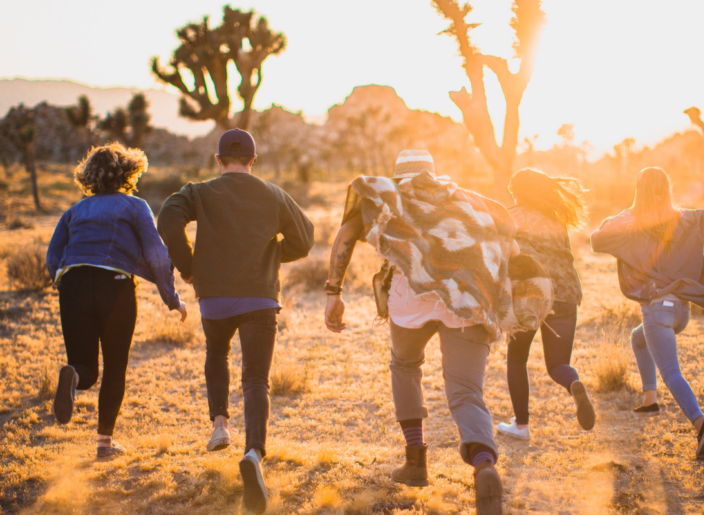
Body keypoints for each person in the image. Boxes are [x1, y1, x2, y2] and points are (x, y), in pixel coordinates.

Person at [325, 150, 519, 515]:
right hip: (466, 299)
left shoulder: (391, 195)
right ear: (434, 172)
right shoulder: (467, 200)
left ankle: (415, 463)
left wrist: (333, 292)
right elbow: (508, 234)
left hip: (409, 300)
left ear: (399, 176)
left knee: (405, 367)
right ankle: (483, 465)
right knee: (465, 391)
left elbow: (347, 232)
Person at [157, 129, 314, 514]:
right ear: (253, 161)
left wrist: (189, 265)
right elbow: (306, 238)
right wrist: (274, 253)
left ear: (218, 160)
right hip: (261, 296)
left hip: (214, 298)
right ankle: (254, 454)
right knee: (256, 379)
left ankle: (220, 427)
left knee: (216, 352)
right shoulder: (274, 194)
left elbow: (166, 220)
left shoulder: (199, 192)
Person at [47, 143, 187, 458]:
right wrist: (172, 298)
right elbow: (156, 254)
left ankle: (74, 376)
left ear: (89, 175)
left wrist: (63, 282)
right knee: (114, 367)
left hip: (73, 282)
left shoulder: (75, 210)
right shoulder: (135, 206)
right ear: (128, 172)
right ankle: (104, 445)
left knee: (86, 367)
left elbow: (53, 254)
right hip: (115, 285)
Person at [591, 167, 704, 459]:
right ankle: (650, 398)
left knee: (671, 372)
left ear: (638, 192)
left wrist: (626, 212)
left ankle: (701, 424)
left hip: (657, 309)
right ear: (667, 189)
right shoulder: (686, 216)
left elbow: (597, 238)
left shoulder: (632, 221)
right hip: (681, 311)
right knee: (637, 338)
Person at [496, 169, 595, 440]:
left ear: (518, 191)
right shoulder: (556, 221)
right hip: (566, 293)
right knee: (558, 363)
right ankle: (573, 383)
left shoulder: (510, 216)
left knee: (517, 359)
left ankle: (521, 426)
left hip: (531, 293)